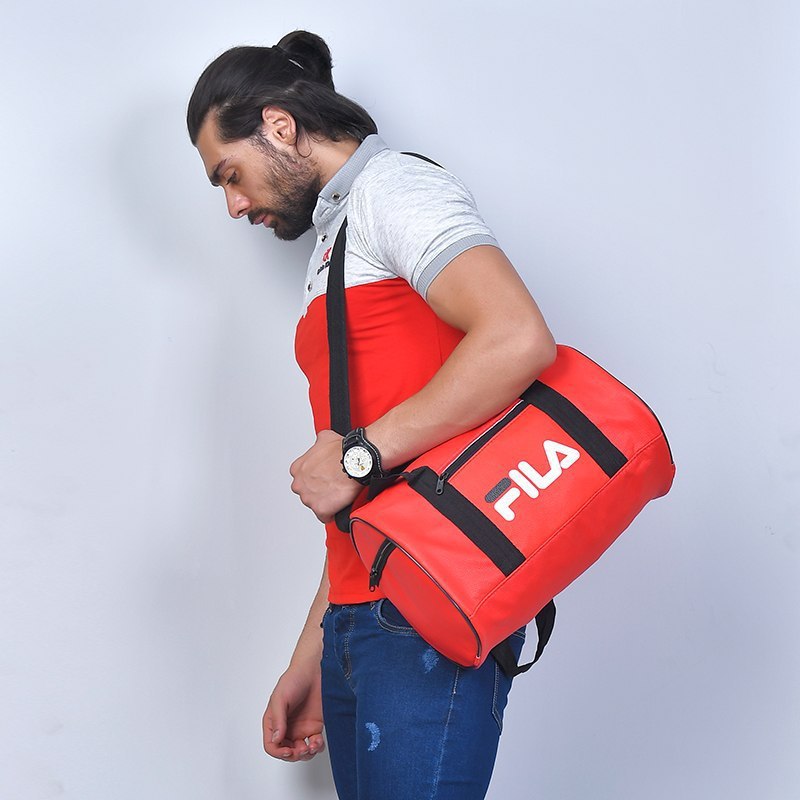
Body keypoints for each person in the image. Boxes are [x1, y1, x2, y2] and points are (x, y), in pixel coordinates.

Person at [187, 30, 556, 800]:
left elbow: (517, 337)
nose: (233, 204)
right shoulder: (336, 237)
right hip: (360, 617)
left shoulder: (395, 189)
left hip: (429, 608)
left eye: (230, 174)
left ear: (279, 125)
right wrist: (313, 652)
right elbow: (371, 493)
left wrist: (358, 454)